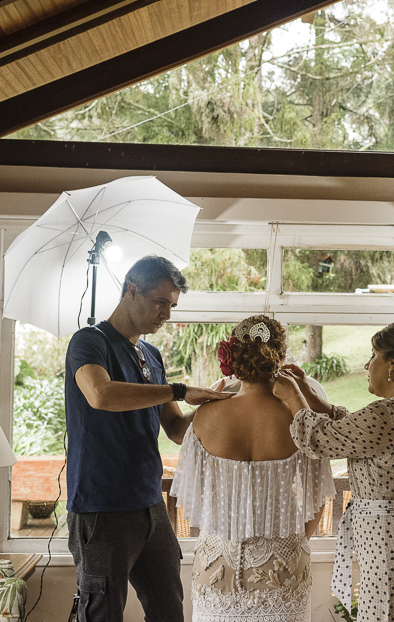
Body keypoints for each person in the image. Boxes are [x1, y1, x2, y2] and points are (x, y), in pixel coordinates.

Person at [65, 255, 230, 622]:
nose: (166, 314)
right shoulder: (89, 342)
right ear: (132, 290)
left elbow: (174, 429)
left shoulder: (151, 355)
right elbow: (101, 395)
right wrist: (177, 390)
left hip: (150, 504)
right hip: (100, 506)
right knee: (101, 614)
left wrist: (217, 405)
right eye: (160, 302)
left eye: (172, 305)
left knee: (169, 609)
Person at [274, 321, 394, 622]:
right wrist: (307, 392)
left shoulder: (389, 414)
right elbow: (352, 428)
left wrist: (292, 398)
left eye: (373, 354)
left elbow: (318, 438)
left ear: (393, 363)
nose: (366, 364)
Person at [170, 315, 335, 622]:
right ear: (280, 357)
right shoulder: (301, 419)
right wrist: (293, 544)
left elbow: (194, 504)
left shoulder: (206, 417)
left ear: (232, 357)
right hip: (284, 565)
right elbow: (319, 500)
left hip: (217, 565)